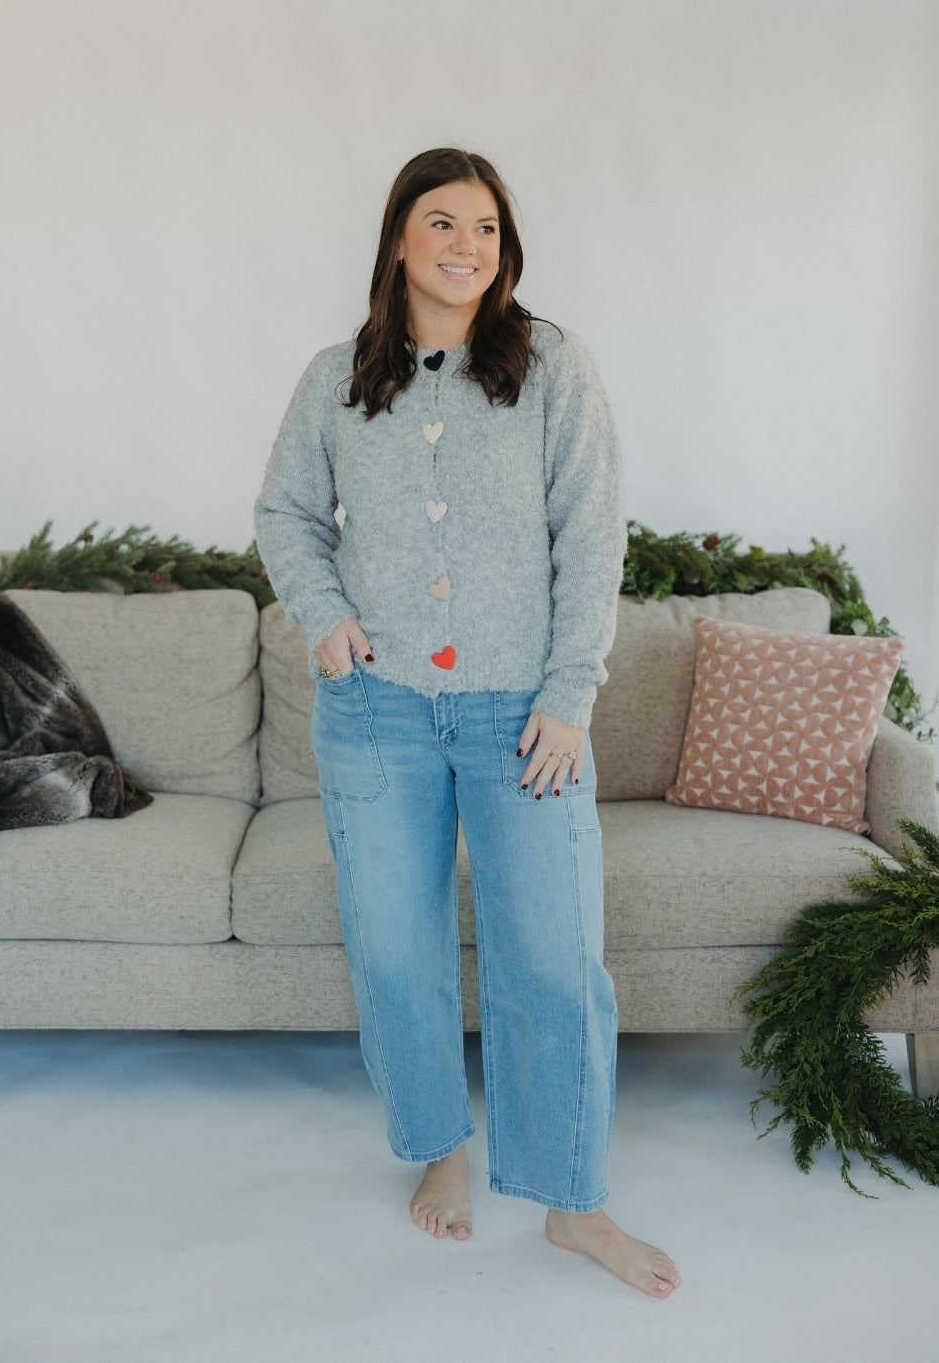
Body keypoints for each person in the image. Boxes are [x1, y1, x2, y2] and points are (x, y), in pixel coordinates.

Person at [254, 148, 680, 1299]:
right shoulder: (336, 379)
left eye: (486, 228)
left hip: (521, 720)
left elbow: (591, 535)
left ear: (505, 249)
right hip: (376, 715)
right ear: (398, 240)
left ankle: (571, 1203)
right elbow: (285, 512)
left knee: (551, 963)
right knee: (396, 955)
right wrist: (326, 614)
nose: (464, 246)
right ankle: (441, 1151)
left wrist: (567, 696)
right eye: (440, 223)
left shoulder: (550, 370)